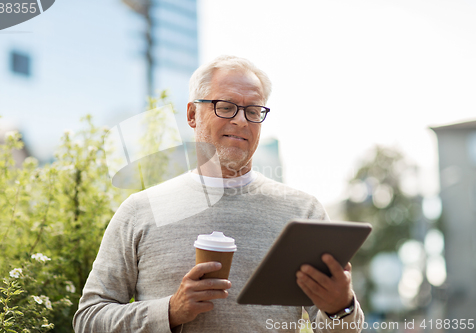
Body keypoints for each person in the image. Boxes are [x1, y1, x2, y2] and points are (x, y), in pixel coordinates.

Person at [73, 55, 365, 332]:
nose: (241, 121)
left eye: (253, 110)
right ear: (192, 114)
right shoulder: (139, 210)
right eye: (225, 107)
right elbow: (88, 320)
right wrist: (171, 311)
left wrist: (341, 307)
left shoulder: (304, 213)